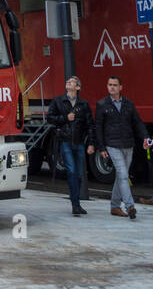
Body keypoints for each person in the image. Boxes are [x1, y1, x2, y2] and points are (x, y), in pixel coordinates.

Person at [94, 75, 151, 218]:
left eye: (114, 85)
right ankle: (130, 206)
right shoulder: (102, 104)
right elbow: (98, 127)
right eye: (109, 84)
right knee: (123, 175)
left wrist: (145, 136)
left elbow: (137, 122)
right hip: (112, 145)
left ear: (120, 87)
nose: (111, 87)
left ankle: (114, 206)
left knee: (120, 177)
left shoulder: (128, 104)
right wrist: (101, 148)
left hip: (128, 145)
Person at [46, 75, 94, 215]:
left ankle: (76, 202)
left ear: (77, 87)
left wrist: (91, 143)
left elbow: (90, 125)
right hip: (65, 141)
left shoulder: (83, 104)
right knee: (72, 171)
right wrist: (65, 118)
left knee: (79, 174)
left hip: (79, 143)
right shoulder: (58, 101)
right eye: (68, 81)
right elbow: (50, 118)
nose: (69, 82)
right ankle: (75, 204)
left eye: (72, 82)